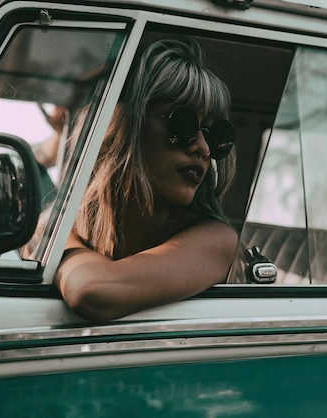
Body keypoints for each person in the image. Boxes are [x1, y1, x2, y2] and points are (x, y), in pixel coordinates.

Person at [54, 38, 238, 322]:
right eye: (183, 124)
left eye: (215, 135)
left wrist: (54, 239)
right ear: (122, 125)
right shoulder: (74, 223)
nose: (203, 148)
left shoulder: (217, 241)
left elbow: (93, 291)